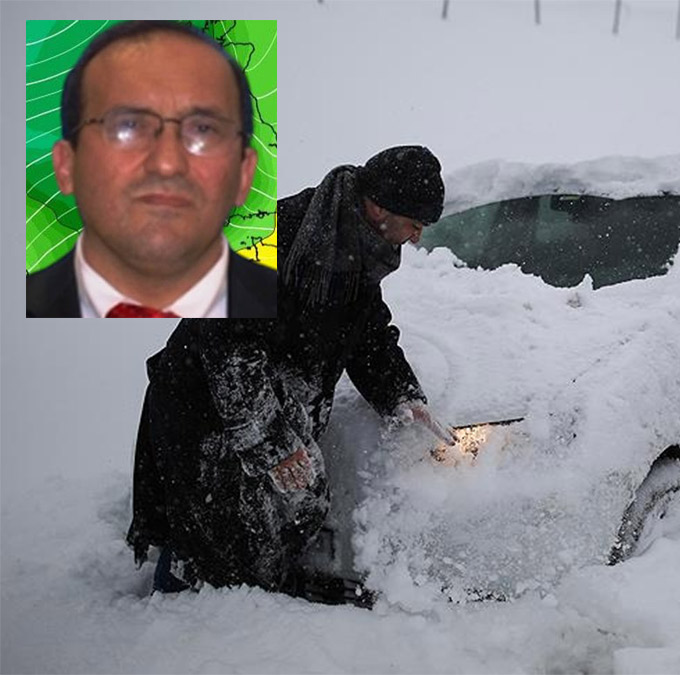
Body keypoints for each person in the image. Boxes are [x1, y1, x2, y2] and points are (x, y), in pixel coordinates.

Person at [126, 145, 455, 603]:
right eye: (415, 225)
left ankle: (247, 613)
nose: (416, 238)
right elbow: (229, 352)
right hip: (206, 412)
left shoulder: (358, 248)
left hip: (264, 408)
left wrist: (403, 396)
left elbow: (367, 335)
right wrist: (276, 446)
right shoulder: (274, 235)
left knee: (272, 527)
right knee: (207, 540)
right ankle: (169, 625)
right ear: (379, 207)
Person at [26, 20, 275, 318]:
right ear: (66, 165)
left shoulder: (309, 314)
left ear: (245, 174)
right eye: (129, 126)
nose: (167, 163)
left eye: (203, 130)